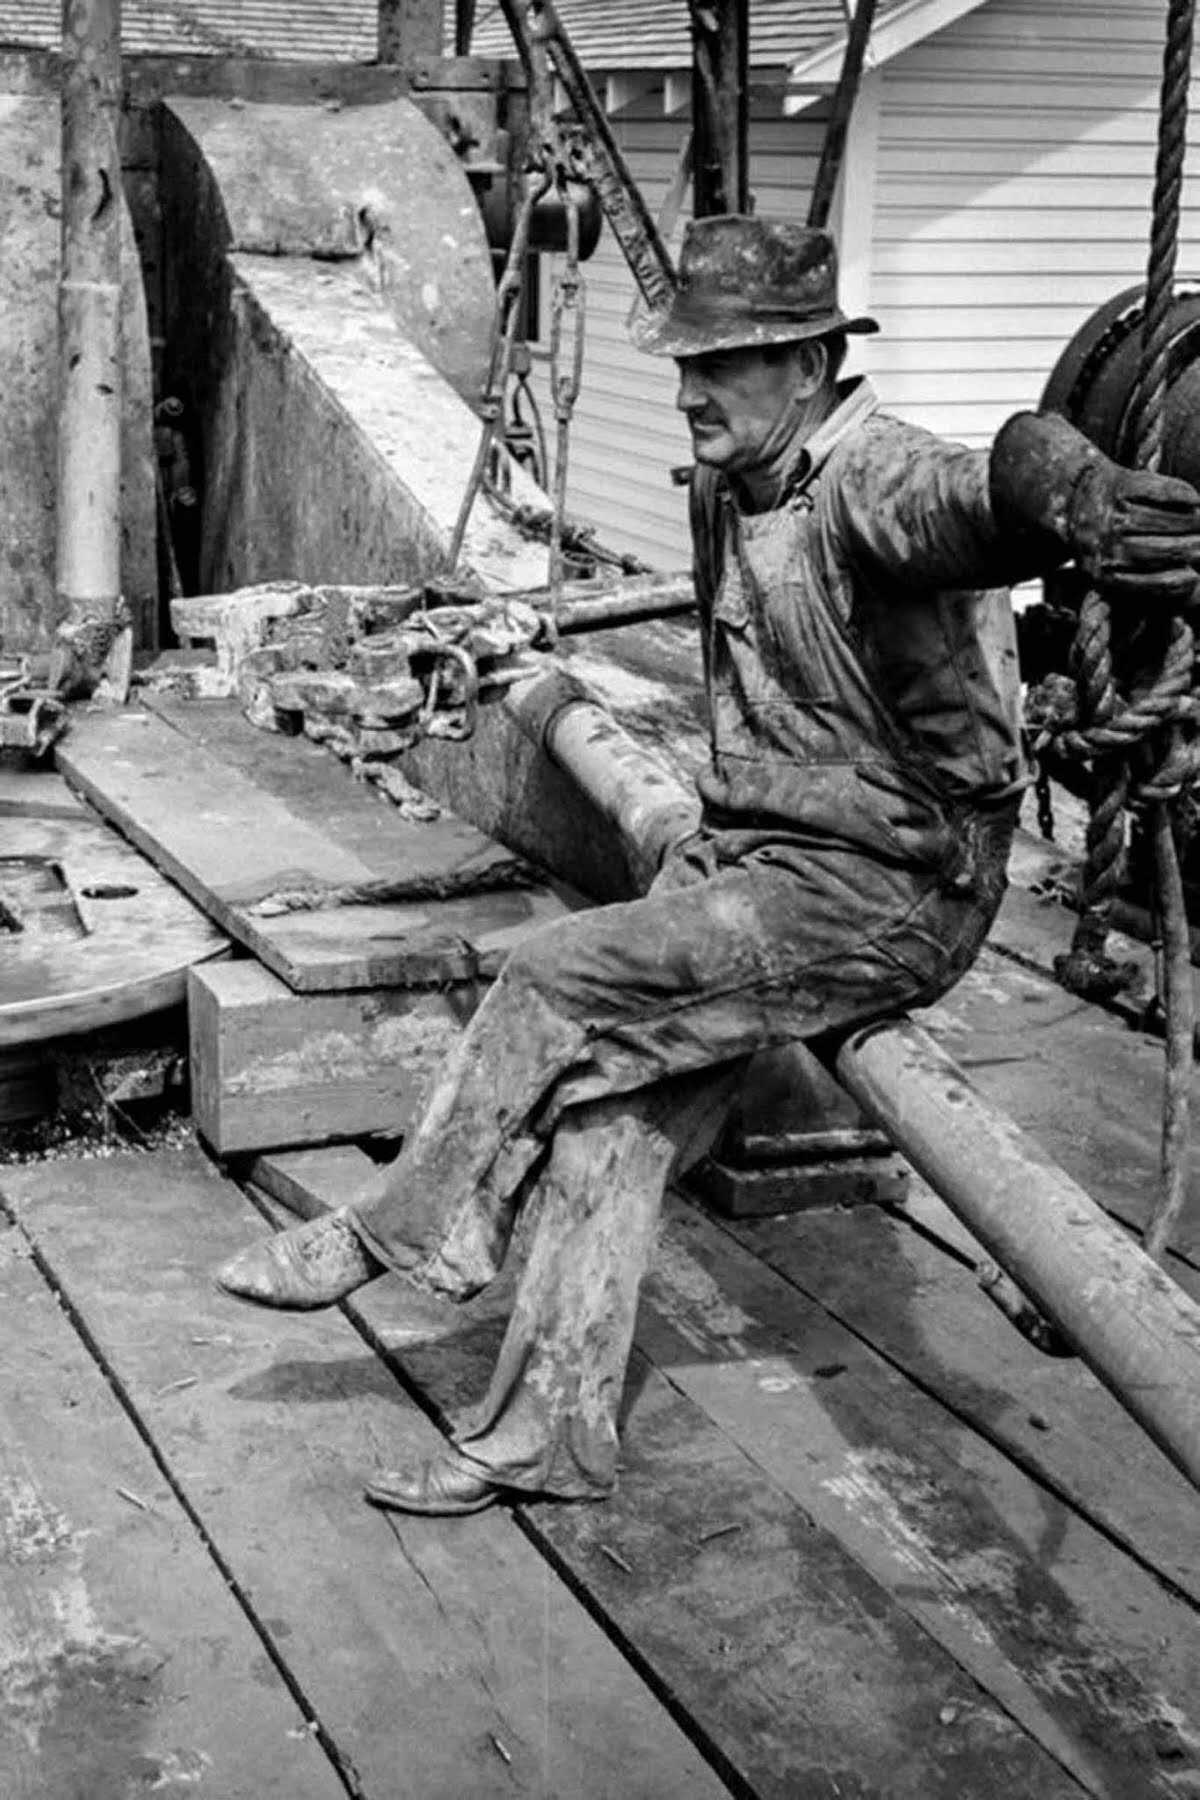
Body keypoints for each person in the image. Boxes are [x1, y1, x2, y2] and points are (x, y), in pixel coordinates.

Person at [216, 215, 1200, 1515]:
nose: (686, 392)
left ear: (807, 368)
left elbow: (994, 488)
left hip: (887, 893)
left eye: (719, 365)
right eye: (683, 364)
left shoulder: (874, 482)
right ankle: (545, 1438)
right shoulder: (726, 486)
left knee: (559, 980)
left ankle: (410, 1230)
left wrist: (1074, 490)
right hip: (757, 859)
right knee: (612, 1127)